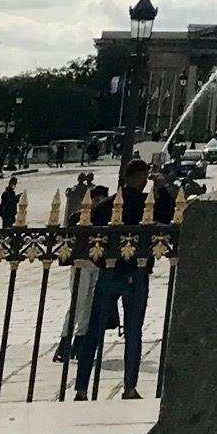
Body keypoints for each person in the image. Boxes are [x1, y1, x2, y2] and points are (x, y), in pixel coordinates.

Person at [73, 164, 154, 402]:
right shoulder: (146, 203)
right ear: (138, 177)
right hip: (136, 273)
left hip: (110, 271)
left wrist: (100, 263)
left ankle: (81, 388)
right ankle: (129, 386)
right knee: (133, 332)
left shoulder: (107, 205)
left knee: (94, 331)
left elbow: (90, 235)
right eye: (145, 177)